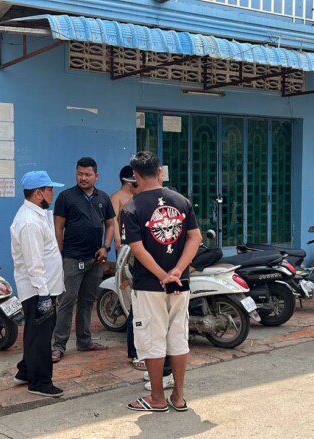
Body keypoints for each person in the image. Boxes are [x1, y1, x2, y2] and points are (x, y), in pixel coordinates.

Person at [121, 151, 201, 413]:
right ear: (159, 172)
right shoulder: (181, 201)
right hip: (180, 283)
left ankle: (157, 398)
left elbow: (137, 248)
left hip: (149, 285)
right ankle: (178, 397)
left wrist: (161, 275)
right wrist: (177, 271)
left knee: (153, 339)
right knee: (178, 337)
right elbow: (195, 238)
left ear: (135, 175)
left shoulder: (131, 208)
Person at [52, 157, 116, 361]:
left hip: (95, 259)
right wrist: (60, 253)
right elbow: (58, 227)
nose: (83, 178)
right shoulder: (65, 197)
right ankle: (59, 345)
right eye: (79, 174)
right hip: (72, 258)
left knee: (88, 301)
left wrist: (106, 247)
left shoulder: (103, 198)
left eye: (87, 174)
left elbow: (111, 224)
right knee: (67, 301)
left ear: (96, 176)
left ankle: (84, 341)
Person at [10, 171, 66, 397]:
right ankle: (40, 382)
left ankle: (26, 371)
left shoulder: (38, 215)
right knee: (41, 337)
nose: (53, 193)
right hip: (38, 290)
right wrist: (43, 294)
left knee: (36, 332)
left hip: (46, 287)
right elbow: (34, 263)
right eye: (49, 189)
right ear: (38, 193)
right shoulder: (29, 222)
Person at [110, 165, 138, 254]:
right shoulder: (116, 197)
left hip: (139, 239)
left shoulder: (138, 195)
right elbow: (113, 219)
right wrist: (117, 239)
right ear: (129, 181)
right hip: (124, 240)